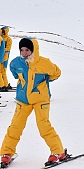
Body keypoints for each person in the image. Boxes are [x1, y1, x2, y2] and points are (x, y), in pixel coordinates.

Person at [0, 38, 67, 167]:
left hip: (40, 100)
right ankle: (7, 153)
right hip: (23, 100)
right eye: (22, 50)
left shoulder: (44, 63)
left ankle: (58, 152)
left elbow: (56, 73)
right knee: (15, 127)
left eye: (27, 50)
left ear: (33, 50)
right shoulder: (15, 63)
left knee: (44, 126)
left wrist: (43, 83)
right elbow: (15, 74)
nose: (24, 53)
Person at [0, 26, 12, 91]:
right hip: (3, 56)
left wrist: (2, 49)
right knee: (2, 72)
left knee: (2, 71)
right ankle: (5, 84)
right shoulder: (1, 38)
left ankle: (2, 85)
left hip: (4, 57)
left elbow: (8, 48)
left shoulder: (8, 39)